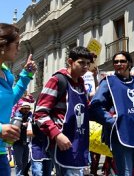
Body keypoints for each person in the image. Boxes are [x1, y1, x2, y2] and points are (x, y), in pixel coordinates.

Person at [89, 51, 134, 176]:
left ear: (129, 63)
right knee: (126, 173)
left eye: (122, 61)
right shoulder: (108, 82)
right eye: (116, 62)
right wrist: (112, 121)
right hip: (121, 135)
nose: (119, 64)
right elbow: (95, 106)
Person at [34, 46, 93, 176]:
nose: (85, 67)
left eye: (88, 64)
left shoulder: (82, 84)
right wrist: (57, 135)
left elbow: (86, 111)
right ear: (70, 61)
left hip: (79, 141)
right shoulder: (57, 80)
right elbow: (40, 113)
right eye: (81, 62)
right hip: (62, 142)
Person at [0, 23, 37, 176]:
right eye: (17, 44)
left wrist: (26, 75)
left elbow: (9, 100)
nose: (19, 48)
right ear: (3, 45)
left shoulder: (5, 72)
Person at [13, 102, 33, 176]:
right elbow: (15, 124)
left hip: (26, 142)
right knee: (19, 162)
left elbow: (31, 119)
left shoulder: (29, 115)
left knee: (25, 161)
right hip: (18, 142)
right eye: (25, 108)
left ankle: (23, 173)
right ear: (21, 108)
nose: (27, 110)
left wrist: (29, 122)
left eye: (28, 108)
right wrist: (23, 124)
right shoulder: (17, 114)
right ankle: (19, 174)